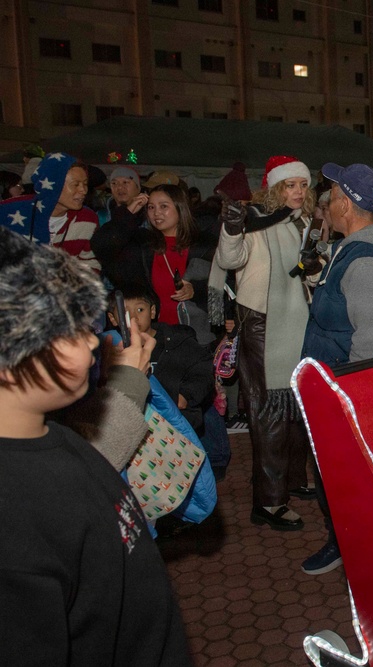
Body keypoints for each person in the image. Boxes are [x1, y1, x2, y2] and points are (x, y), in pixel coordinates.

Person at [0, 228, 192, 666]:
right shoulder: (13, 528)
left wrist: (129, 379)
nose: (91, 341)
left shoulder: (51, 436)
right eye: (67, 330)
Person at [300, 162, 373, 574]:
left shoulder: (365, 264)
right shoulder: (352, 249)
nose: (325, 203)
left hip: (347, 396)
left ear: (344, 205)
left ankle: (356, 545)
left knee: (351, 479)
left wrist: (350, 407)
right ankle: (349, 538)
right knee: (339, 477)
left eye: (331, 196)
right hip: (332, 388)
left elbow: (370, 344)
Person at [215, 155, 316, 531]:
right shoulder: (256, 218)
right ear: (275, 187)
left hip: (298, 321)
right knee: (270, 411)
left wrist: (315, 267)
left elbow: (304, 274)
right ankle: (269, 503)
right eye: (290, 185)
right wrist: (231, 228)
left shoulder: (302, 221)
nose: (298, 191)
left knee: (295, 406)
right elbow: (231, 257)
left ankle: (291, 480)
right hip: (263, 324)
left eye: (303, 185)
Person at [93, 183, 217, 344]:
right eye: (151, 207)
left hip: (197, 339)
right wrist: (128, 213)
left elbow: (223, 290)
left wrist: (195, 290)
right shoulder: (142, 244)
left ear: (180, 208)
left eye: (163, 206)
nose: (156, 213)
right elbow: (102, 246)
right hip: (152, 337)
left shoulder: (205, 244)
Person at [107, 289, 214, 435]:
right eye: (124, 313)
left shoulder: (177, 341)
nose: (133, 318)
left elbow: (203, 369)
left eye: (140, 310)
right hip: (138, 428)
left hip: (181, 426)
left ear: (152, 311)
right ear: (113, 319)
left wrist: (185, 395)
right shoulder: (113, 350)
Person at [0, 152, 100, 273]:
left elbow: (91, 264)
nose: (83, 190)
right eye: (75, 184)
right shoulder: (8, 211)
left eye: (85, 184)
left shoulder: (88, 219)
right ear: (53, 185)